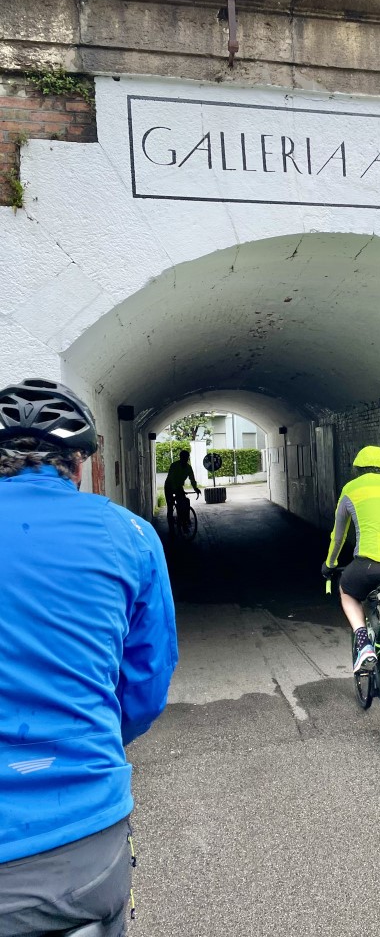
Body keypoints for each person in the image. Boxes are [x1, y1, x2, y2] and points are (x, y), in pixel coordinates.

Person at [0, 378, 178, 935]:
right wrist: (96, 734)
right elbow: (146, 684)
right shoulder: (130, 534)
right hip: (82, 831)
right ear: (79, 463)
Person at [322, 445, 380, 673]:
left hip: (368, 564)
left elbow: (338, 536)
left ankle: (363, 641)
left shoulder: (350, 489)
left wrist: (330, 564)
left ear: (358, 468)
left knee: (346, 590)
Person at [164, 448, 201, 535]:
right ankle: (171, 529)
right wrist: (175, 491)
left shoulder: (188, 468)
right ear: (180, 458)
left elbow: (192, 479)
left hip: (179, 487)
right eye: (184, 458)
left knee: (185, 502)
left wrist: (195, 488)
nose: (185, 460)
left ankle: (185, 522)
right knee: (170, 507)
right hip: (169, 487)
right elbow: (171, 478)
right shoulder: (174, 465)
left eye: (187, 458)